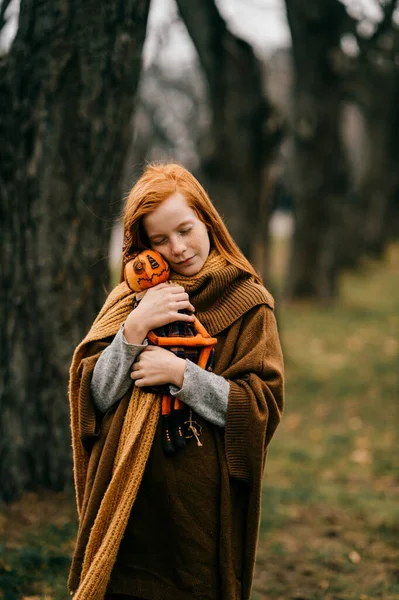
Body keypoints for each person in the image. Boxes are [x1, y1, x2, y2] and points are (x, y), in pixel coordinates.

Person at [68, 163, 284, 600]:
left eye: (185, 229)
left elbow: (260, 406)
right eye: (161, 240)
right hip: (128, 502)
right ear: (142, 245)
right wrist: (132, 330)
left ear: (206, 219)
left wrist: (182, 374)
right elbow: (93, 398)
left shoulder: (248, 303)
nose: (179, 248)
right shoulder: (130, 301)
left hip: (198, 515)